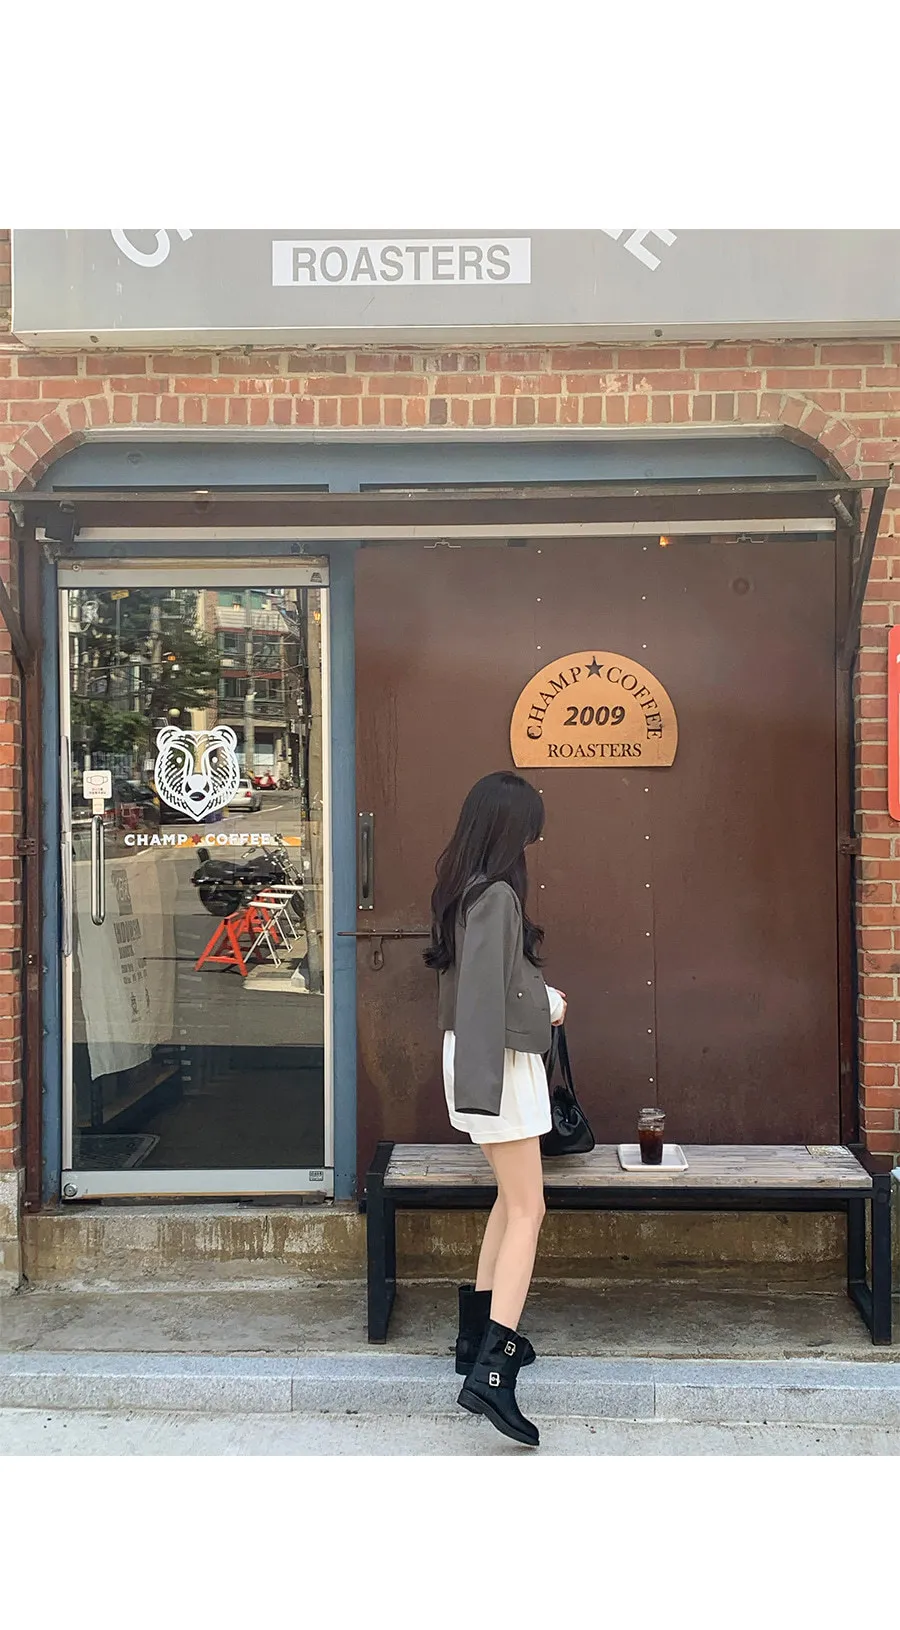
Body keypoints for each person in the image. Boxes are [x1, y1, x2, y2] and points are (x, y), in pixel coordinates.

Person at [424, 771, 567, 1448]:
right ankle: (494, 1370)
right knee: (529, 1210)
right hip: (497, 1065)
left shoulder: (465, 888)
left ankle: (475, 1338)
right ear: (513, 831)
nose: (535, 843)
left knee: (510, 1203)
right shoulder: (499, 895)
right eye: (531, 831)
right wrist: (549, 1007)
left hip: (479, 1058)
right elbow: (486, 994)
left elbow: (480, 987)